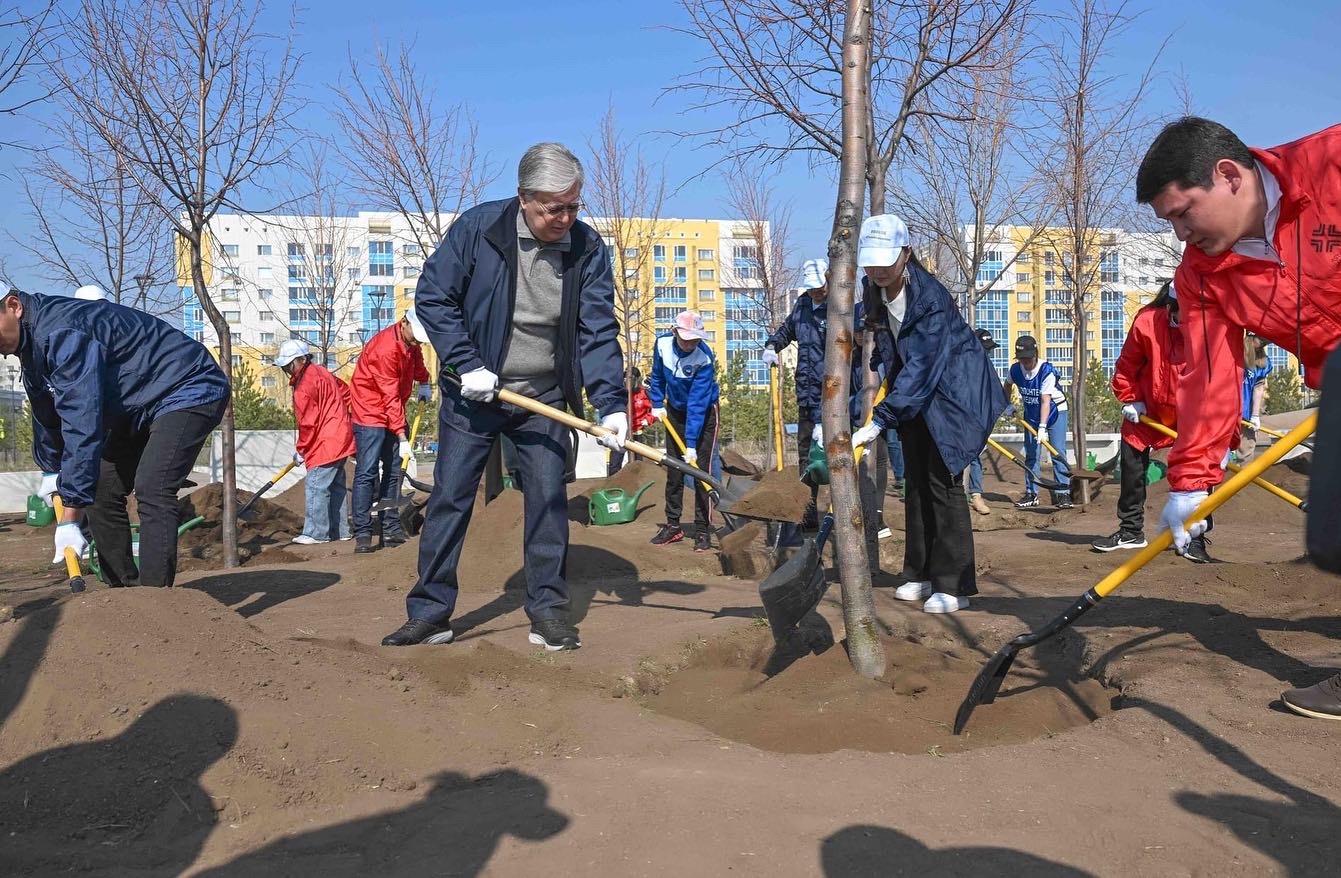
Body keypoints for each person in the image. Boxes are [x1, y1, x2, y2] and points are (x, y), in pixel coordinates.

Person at [383, 142, 627, 651]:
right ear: (523, 198)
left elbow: (598, 329)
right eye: (552, 208)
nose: (564, 218)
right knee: (449, 498)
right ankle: (430, 612)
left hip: (544, 397)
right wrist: (464, 362)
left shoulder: (587, 248)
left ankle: (548, 612)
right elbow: (433, 297)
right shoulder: (480, 231)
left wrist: (612, 403)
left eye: (573, 206)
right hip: (475, 396)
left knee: (548, 502)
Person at [1135, 116, 1341, 719]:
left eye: (1182, 213)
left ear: (1228, 176)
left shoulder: (1329, 166)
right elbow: (1207, 376)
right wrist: (1192, 481)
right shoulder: (1201, 275)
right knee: (1331, 537)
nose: (1179, 234)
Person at [0, 289, 228, 587]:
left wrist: (70, 516)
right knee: (102, 489)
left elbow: (82, 420)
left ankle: (155, 600)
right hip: (137, 406)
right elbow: (48, 418)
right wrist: (52, 470)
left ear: (13, 306)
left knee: (153, 486)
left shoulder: (63, 332)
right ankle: (122, 594)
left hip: (187, 386)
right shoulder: (31, 351)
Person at [851, 215, 1006, 614]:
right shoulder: (874, 288)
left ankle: (953, 585)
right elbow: (884, 335)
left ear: (906, 254)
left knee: (944, 483)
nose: (877, 269)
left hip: (955, 394)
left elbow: (922, 366)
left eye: (885, 260)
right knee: (916, 482)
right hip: (917, 394)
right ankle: (917, 573)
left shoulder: (931, 300)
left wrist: (880, 419)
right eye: (870, 262)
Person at [1092, 282, 1212, 561]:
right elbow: (1126, 365)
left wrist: (1218, 430)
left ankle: (1196, 538)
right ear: (1170, 307)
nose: (1191, 318)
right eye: (1186, 312)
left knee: (1199, 475)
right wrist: (1130, 398)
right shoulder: (1147, 323)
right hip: (1146, 411)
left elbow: (1218, 378)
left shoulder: (1208, 328)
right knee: (1132, 469)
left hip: (1191, 413)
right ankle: (1131, 531)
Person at [348, 308, 431, 554]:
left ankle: (391, 528)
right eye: (414, 336)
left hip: (391, 412)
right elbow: (389, 395)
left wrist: (424, 380)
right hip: (369, 414)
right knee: (367, 471)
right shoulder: (384, 349)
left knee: (394, 472)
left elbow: (416, 364)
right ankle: (363, 533)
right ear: (403, 323)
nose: (416, 341)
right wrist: (402, 434)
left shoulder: (411, 344)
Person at [648, 310, 720, 552]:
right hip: (675, 411)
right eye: (686, 338)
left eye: (695, 339)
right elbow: (657, 376)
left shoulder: (704, 358)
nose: (690, 344)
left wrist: (691, 443)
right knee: (674, 470)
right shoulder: (662, 345)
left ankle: (702, 529)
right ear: (674, 332)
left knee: (701, 473)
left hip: (704, 414)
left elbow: (698, 404)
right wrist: (657, 403)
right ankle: (673, 525)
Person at [273, 339, 355, 545]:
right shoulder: (321, 372)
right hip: (340, 436)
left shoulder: (304, 386)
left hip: (325, 442)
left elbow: (308, 423)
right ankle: (341, 530)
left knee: (316, 485)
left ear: (300, 360)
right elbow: (345, 391)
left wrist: (302, 450)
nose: (286, 370)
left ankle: (316, 533)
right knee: (336, 486)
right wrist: (340, 415)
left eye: (288, 365)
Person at [1002, 335, 1073, 509]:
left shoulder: (1046, 371)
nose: (1025, 362)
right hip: (1032, 413)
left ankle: (1063, 494)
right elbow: (1007, 386)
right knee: (1032, 454)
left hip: (1055, 411)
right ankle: (1032, 493)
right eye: (1022, 359)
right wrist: (1007, 404)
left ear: (1035, 354)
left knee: (1057, 452)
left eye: (1028, 358)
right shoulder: (1015, 370)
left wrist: (1042, 428)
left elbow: (1045, 401)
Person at [964, 328, 999, 516]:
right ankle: (959, 495)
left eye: (989, 350)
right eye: (984, 349)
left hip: (979, 419)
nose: (987, 353)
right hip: (960, 418)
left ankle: (976, 495)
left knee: (976, 456)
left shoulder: (987, 368)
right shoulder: (964, 366)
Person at [607, 367, 655, 476]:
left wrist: (648, 420)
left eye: (630, 378)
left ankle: (635, 485)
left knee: (637, 464)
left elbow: (655, 410)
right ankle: (613, 486)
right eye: (625, 378)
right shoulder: (619, 394)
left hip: (636, 433)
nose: (627, 381)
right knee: (615, 463)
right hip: (619, 433)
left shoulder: (644, 394)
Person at [1238, 333, 1271, 461]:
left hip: (1247, 411)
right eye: (1262, 339)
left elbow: (1258, 388)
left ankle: (1245, 478)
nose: (1264, 343)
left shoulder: (1263, 361)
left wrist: (1255, 415)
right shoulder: (1234, 352)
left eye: (1266, 342)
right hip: (1226, 408)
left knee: (1246, 450)